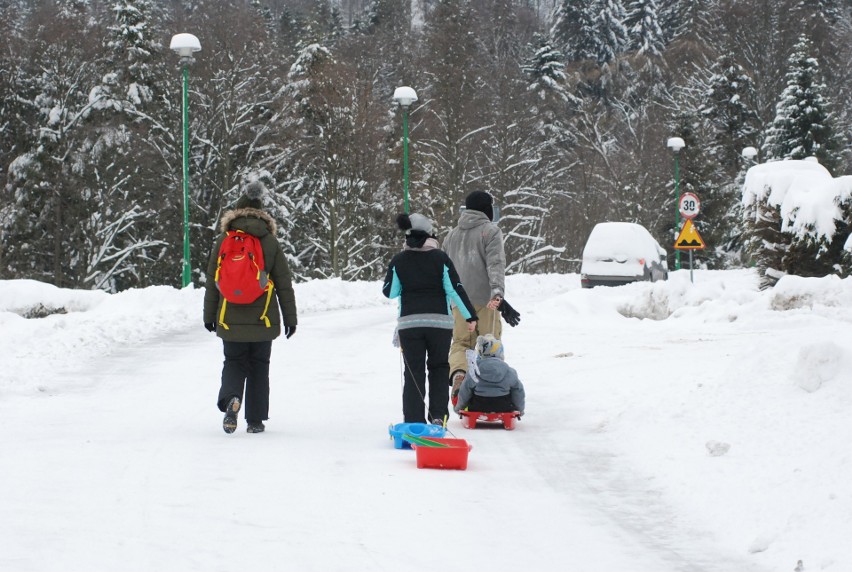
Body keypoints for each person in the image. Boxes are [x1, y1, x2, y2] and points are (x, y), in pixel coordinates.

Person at [203, 180, 298, 434]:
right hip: (263, 317)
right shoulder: (269, 241)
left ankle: (232, 398)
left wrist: (209, 315)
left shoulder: (225, 240)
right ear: (262, 213)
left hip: (229, 317)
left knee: (233, 361)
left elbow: (213, 281)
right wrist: (290, 318)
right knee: (259, 365)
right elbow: (284, 283)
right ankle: (254, 420)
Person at [382, 213, 478, 425]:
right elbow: (455, 290)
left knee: (413, 373)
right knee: (439, 369)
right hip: (439, 326)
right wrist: (470, 316)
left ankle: (414, 422)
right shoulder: (441, 258)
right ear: (430, 234)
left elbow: (389, 292)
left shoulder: (398, 261)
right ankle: (438, 418)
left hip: (410, 325)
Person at [442, 190, 507, 400]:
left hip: (459, 302)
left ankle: (459, 376)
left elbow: (443, 270)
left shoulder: (451, 235)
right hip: (486, 300)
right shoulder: (490, 231)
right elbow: (495, 264)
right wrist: (497, 293)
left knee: (461, 343)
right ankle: (491, 391)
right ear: (486, 209)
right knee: (490, 343)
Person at [454, 334, 525, 416]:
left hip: (478, 406)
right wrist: (520, 410)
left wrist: (459, 408)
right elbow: (518, 391)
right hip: (503, 407)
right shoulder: (509, 371)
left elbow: (465, 391)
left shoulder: (473, 371)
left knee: (469, 389)